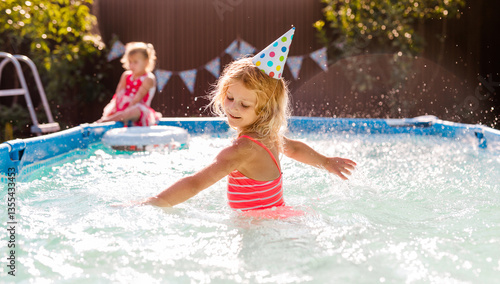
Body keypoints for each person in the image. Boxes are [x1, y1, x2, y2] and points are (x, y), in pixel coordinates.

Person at [116, 28, 356, 211]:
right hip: (278, 216)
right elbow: (293, 147)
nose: (232, 107)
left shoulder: (241, 149)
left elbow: (195, 184)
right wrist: (325, 162)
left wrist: (152, 203)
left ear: (264, 110)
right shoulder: (268, 136)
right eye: (230, 97)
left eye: (244, 104)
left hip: (259, 229)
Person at [97, 42, 161, 126]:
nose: (132, 65)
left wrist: (125, 111)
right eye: (130, 62)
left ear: (146, 62)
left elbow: (136, 99)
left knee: (133, 111)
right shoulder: (126, 75)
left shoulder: (148, 78)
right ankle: (114, 118)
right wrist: (119, 109)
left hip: (138, 109)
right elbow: (119, 94)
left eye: (135, 62)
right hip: (122, 107)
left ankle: (105, 121)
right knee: (115, 110)